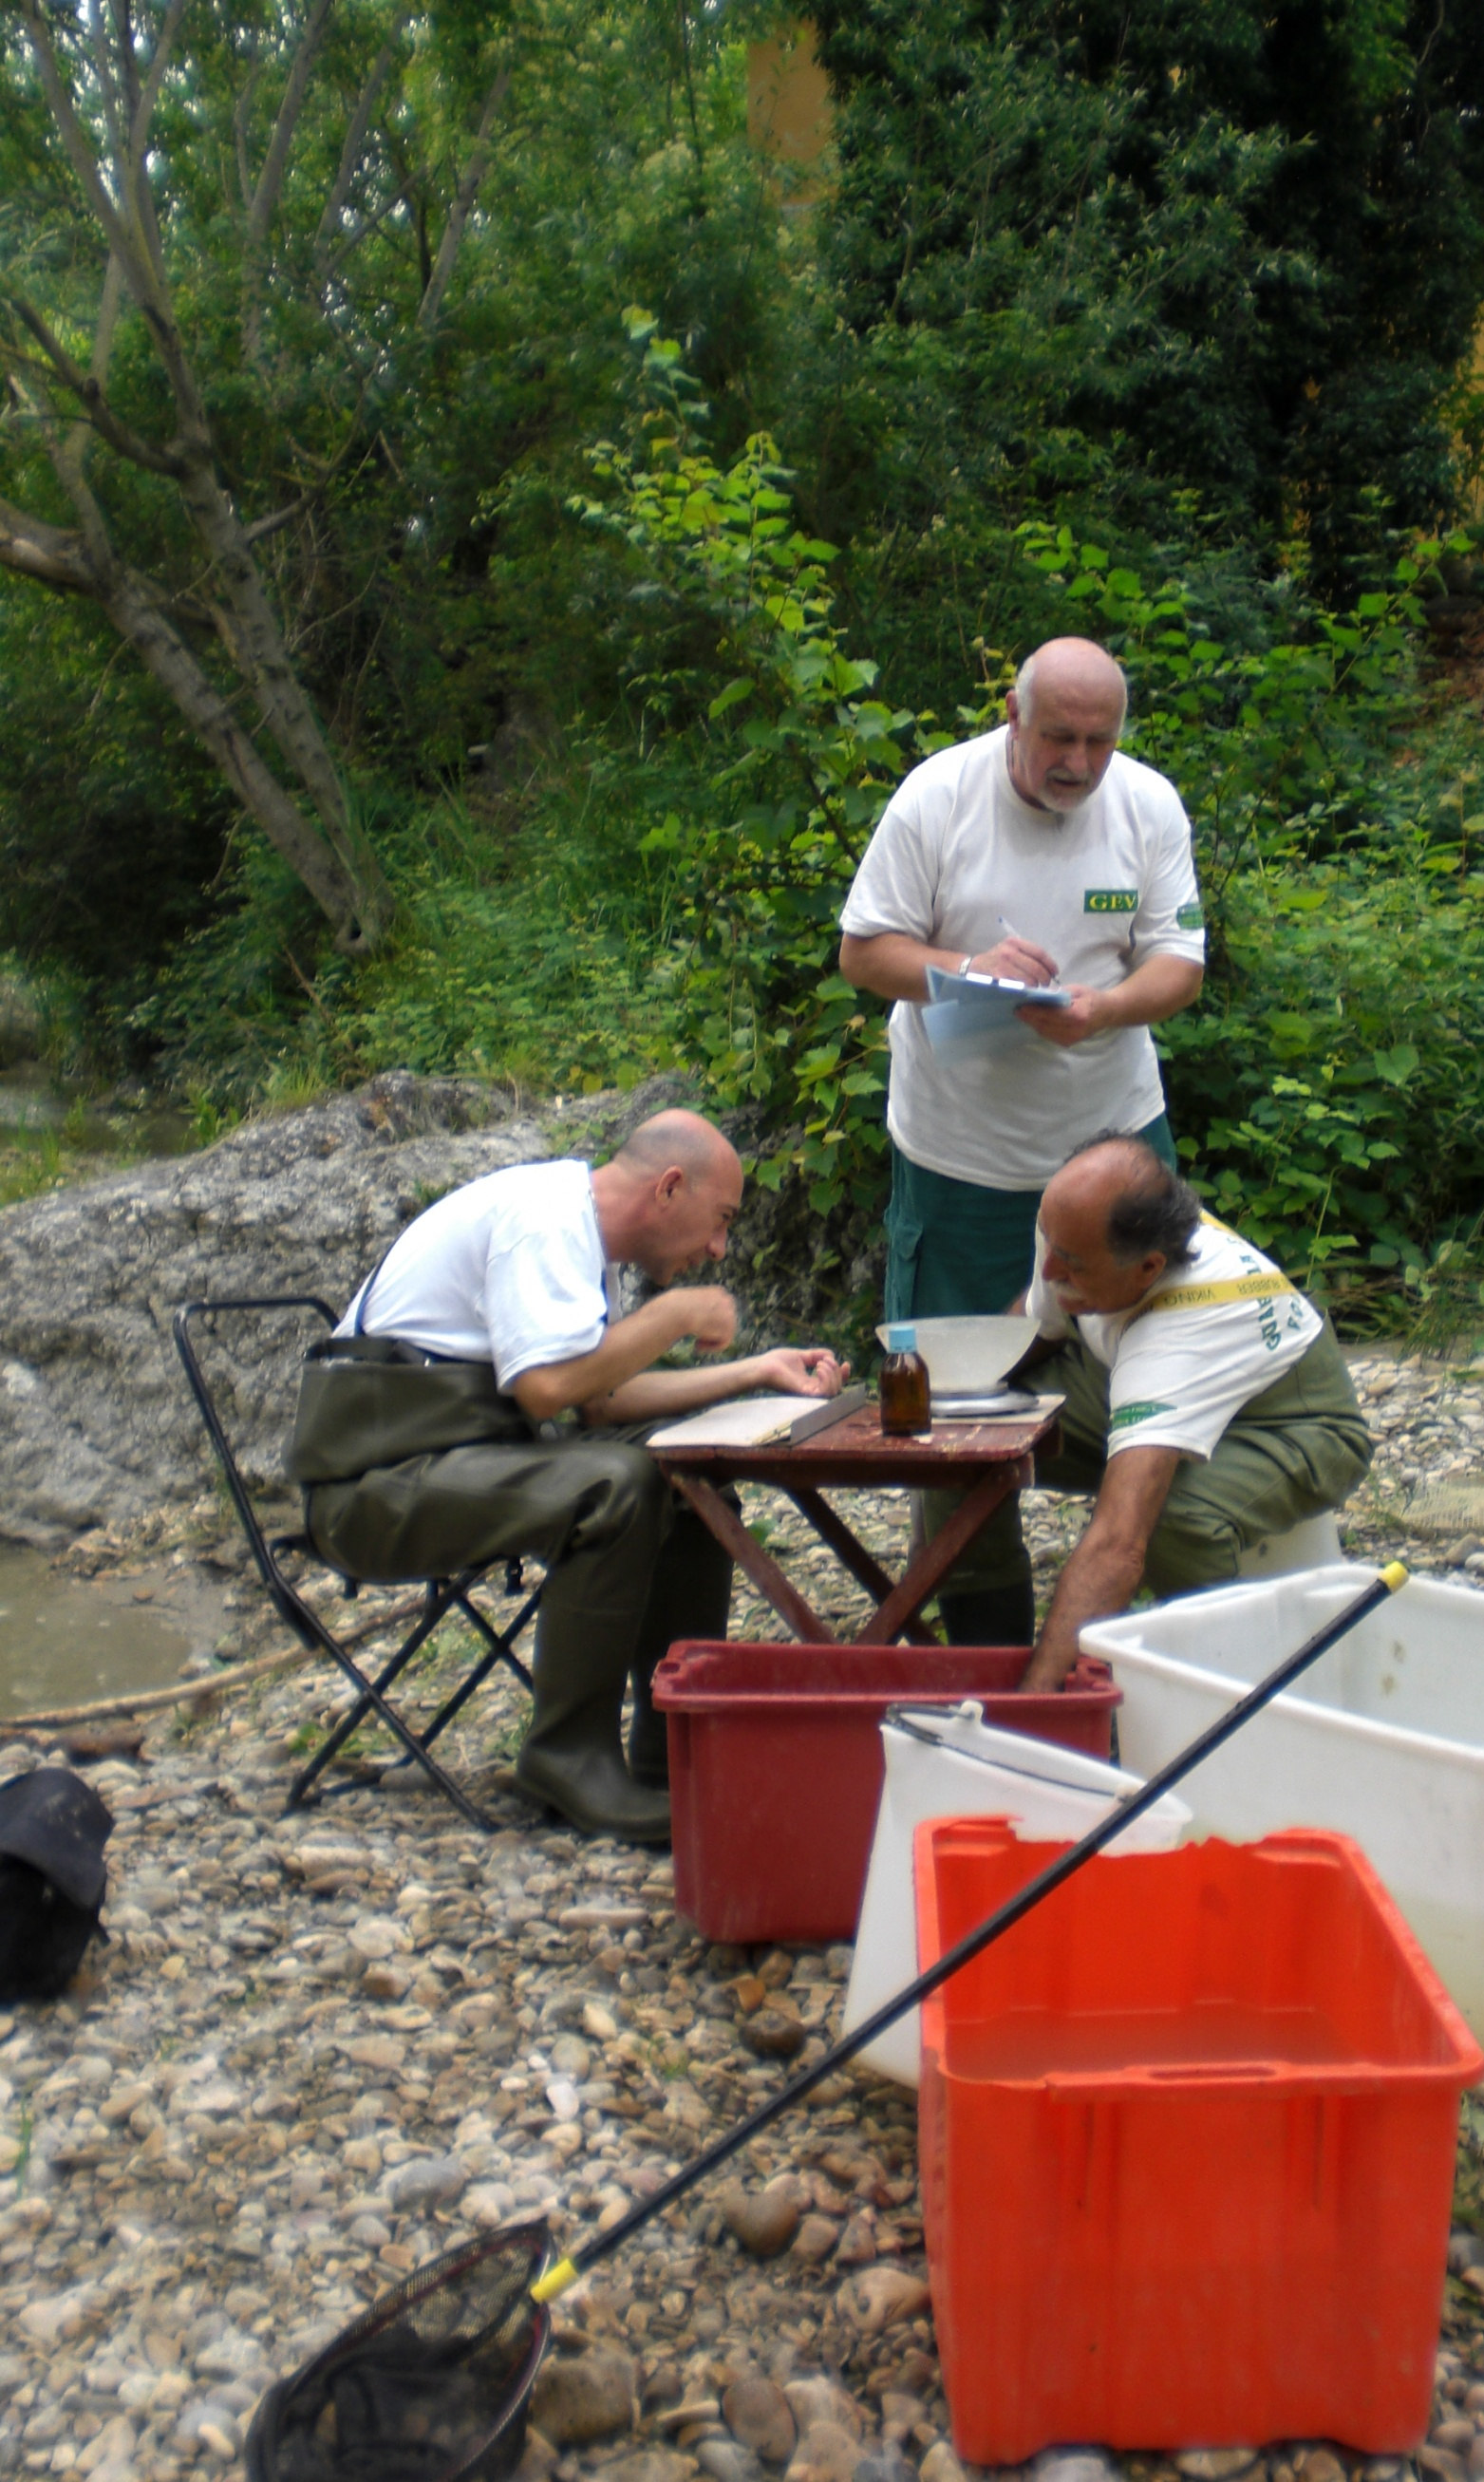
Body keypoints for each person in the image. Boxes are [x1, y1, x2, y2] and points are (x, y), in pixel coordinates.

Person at [300, 1110, 845, 1844]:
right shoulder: (544, 1219)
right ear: (669, 1187)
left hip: (456, 1459)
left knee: (685, 1473)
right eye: (719, 1221)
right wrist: (677, 1315)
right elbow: (547, 1392)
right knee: (615, 1484)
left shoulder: (588, 1247)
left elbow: (601, 1400)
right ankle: (567, 1755)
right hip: (374, 1486)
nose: (717, 1247)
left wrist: (756, 1371)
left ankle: (672, 1748)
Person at [837, 635, 1206, 1644]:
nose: (1077, 763)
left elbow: (1179, 963)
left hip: (1112, 1144)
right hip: (962, 1161)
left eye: (1097, 739)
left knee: (1160, 1370)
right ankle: (989, 1647)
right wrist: (967, 966)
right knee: (949, 1408)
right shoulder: (936, 797)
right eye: (1057, 737)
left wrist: (1105, 1006)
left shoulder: (1146, 805)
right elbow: (863, 951)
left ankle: (1153, 1635)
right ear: (1011, 712)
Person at [1010, 1134, 1373, 1691]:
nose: (1051, 1268)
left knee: (1170, 1524)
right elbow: (1036, 1325)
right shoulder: (1072, 1227)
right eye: (1048, 1241)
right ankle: (981, 1640)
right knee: (975, 1435)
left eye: (1074, 1265)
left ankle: (1224, 1692)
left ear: (1149, 1267)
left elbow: (1117, 1545)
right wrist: (958, 1397)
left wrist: (1029, 1714)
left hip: (1289, 1418)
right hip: (1117, 1371)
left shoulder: (1177, 1335)